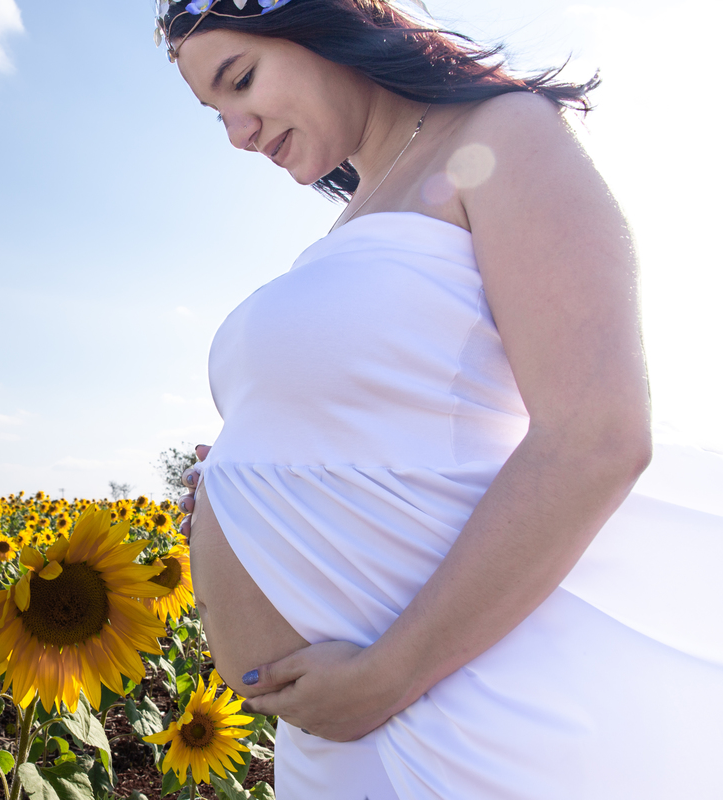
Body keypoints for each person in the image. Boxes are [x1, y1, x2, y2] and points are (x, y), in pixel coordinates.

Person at [156, 0, 723, 797]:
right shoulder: (347, 225)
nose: (238, 133)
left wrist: (387, 676)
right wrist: (253, 483)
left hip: (457, 710)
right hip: (332, 733)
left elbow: (596, 434)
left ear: (324, 23)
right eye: (216, 113)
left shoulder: (501, 134)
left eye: (241, 81)